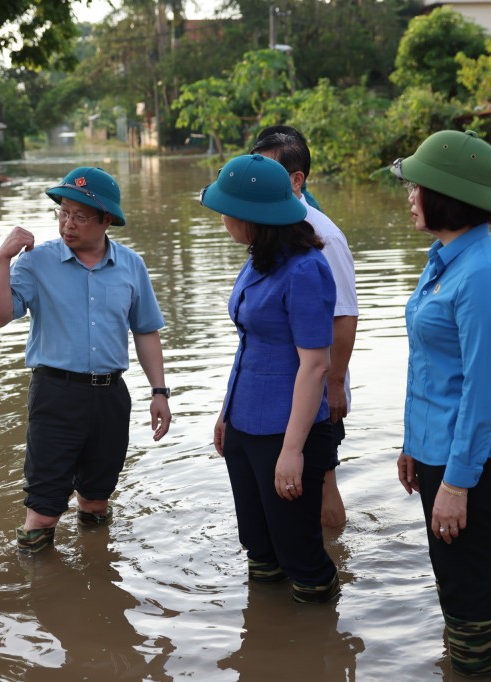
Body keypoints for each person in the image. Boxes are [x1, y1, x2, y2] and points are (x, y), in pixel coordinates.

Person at [0, 166, 171, 555]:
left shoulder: (131, 266)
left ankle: (96, 575)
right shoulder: (36, 262)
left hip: (110, 397)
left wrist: (159, 392)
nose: (68, 224)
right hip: (55, 395)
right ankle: (41, 592)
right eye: (63, 212)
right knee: (43, 510)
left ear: (106, 220)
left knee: (97, 500)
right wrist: (2, 259)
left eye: (80, 216)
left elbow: (146, 331)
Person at [392, 130, 491, 675]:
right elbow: (429, 365)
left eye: (416, 186)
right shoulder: (446, 258)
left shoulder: (483, 276)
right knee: (461, 581)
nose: (409, 195)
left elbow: (481, 389)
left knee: (463, 587)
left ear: (445, 195)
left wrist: (455, 483)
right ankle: (483, 662)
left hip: (469, 459)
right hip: (436, 449)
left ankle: (485, 669)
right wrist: (411, 445)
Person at [201, 153, 340, 604]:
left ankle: (319, 646)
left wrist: (292, 451)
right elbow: (248, 343)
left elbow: (315, 365)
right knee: (258, 549)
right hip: (246, 425)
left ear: (253, 217)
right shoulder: (258, 259)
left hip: (287, 432)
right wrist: (226, 415)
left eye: (227, 209)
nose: (222, 217)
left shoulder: (305, 269)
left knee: (301, 557)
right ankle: (264, 644)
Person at [250, 127, 359, 528]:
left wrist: (334, 385)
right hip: (282, 386)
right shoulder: (266, 227)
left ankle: (335, 558)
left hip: (318, 386)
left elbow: (345, 317)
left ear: (297, 180)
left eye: (270, 171)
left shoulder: (323, 235)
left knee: (322, 480)